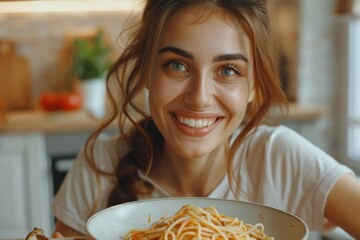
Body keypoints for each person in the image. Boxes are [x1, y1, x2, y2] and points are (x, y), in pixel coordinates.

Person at [51, 0, 360, 238]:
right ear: (146, 72)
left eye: (228, 70)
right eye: (176, 65)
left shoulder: (278, 157)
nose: (199, 97)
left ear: (253, 85)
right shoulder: (98, 168)